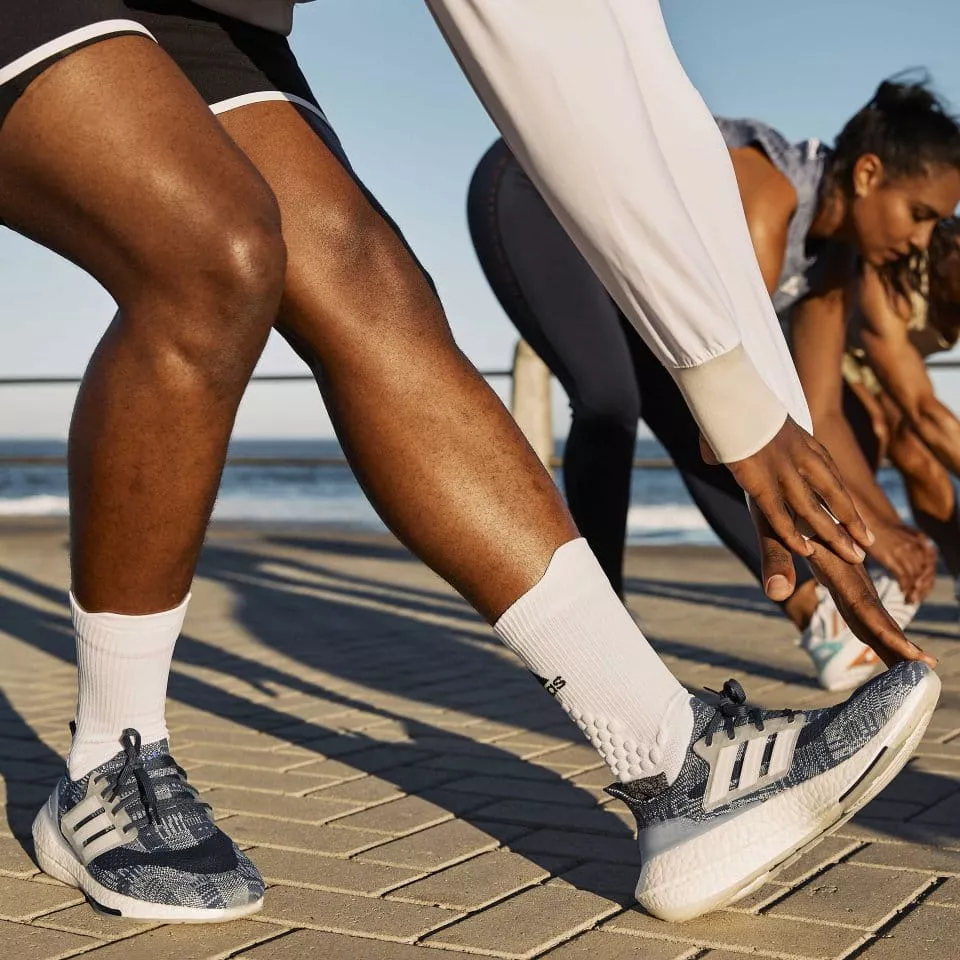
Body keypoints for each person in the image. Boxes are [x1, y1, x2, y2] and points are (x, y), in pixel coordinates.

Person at [0, 0, 936, 926]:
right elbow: (555, 62)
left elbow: (630, 70)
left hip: (200, 11)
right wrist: (734, 408)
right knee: (217, 248)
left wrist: (761, 425)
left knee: (369, 279)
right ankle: (107, 761)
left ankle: (672, 759)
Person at [467, 77, 960, 690]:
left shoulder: (835, 261)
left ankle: (818, 620)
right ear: (866, 174)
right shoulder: (767, 203)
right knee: (613, 400)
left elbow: (818, 414)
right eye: (920, 214)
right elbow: (733, 395)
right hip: (534, 190)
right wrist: (865, 531)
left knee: (724, 431)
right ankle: (599, 637)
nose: (921, 239)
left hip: (617, 254)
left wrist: (877, 529)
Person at [840, 219, 960, 601]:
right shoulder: (892, 275)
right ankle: (846, 585)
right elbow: (924, 409)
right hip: (835, 357)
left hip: (893, 366)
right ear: (950, 253)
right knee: (869, 436)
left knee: (916, 455)